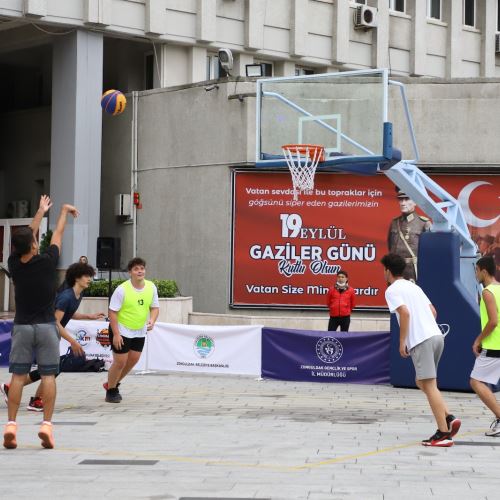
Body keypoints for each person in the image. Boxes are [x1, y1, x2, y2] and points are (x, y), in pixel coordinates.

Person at [4, 196, 79, 449]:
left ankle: (11, 426)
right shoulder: (48, 262)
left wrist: (39, 212)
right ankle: (46, 425)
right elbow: (58, 232)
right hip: (47, 327)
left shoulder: (13, 263)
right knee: (48, 376)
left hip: (22, 326)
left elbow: (28, 236)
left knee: (17, 376)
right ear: (35, 247)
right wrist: (63, 212)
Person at [1, 262, 106, 412]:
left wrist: (89, 316)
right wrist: (72, 341)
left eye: (90, 276)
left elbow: (69, 313)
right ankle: (29, 397)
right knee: (51, 369)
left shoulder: (78, 294)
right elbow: (55, 321)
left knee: (51, 369)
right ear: (77, 278)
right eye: (86, 276)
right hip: (44, 331)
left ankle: (19, 391)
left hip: (49, 332)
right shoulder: (66, 296)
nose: (89, 279)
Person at [381, 253, 461, 447]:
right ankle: (448, 417)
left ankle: (443, 434)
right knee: (422, 381)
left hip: (421, 340)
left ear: (388, 271)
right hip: (436, 336)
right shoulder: (414, 286)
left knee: (429, 384)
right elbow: (433, 311)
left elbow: (405, 313)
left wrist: (402, 342)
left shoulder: (392, 290)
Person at [105, 257, 159, 403]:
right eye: (136, 269)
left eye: (142, 268)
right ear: (130, 272)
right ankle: (111, 391)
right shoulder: (122, 289)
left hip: (139, 330)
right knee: (120, 361)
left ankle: (113, 383)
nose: (140, 271)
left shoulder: (151, 287)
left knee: (133, 360)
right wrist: (116, 334)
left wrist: (152, 320)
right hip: (121, 329)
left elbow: (154, 308)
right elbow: (112, 312)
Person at [469, 256, 500, 437]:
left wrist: (478, 340)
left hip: (495, 345)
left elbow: (493, 322)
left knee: (476, 381)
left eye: (476, 270)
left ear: (483, 271)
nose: (475, 274)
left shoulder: (488, 292)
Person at [387, 187, 431, 282]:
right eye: (401, 199)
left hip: (413, 272)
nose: (403, 203)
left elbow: (430, 254)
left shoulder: (423, 223)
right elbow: (390, 247)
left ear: (415, 202)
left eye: (407, 199)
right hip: (395, 271)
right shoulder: (395, 222)